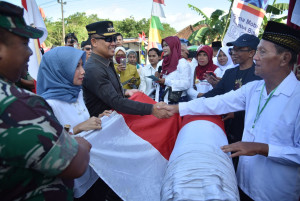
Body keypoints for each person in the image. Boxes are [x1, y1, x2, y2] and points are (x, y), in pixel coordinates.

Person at [160, 21, 300, 201]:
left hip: (274, 192)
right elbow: (217, 102)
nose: (255, 57)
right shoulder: (253, 89)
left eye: (262, 52)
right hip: (241, 184)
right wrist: (176, 108)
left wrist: (261, 148)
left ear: (285, 58)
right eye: (257, 51)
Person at [0, 2, 91, 200]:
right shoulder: (20, 105)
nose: (31, 53)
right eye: (24, 43)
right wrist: (81, 144)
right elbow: (74, 164)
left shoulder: (76, 93)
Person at [36, 46, 112, 200]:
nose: (83, 71)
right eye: (76, 67)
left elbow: (81, 121)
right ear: (59, 70)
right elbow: (51, 146)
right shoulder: (48, 104)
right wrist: (78, 128)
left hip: (92, 168)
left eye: (82, 65)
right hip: (74, 177)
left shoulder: (76, 92)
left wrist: (98, 118)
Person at [83, 21, 169, 119]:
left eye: (114, 39)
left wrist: (125, 91)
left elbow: (107, 91)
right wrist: (151, 109)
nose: (114, 43)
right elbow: (116, 102)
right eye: (108, 39)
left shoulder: (105, 62)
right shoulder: (94, 68)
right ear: (94, 42)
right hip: (103, 126)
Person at [155, 36, 191, 104]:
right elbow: (157, 86)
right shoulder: (162, 62)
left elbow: (186, 84)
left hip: (176, 101)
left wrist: (166, 81)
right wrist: (156, 78)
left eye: (166, 45)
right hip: (161, 99)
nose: (164, 48)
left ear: (173, 46)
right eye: (163, 46)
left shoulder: (182, 63)